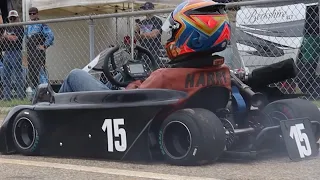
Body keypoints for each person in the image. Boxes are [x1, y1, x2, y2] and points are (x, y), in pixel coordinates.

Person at [58, 0, 232, 96]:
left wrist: (134, 84)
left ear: (190, 36)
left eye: (174, 32)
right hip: (162, 101)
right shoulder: (222, 72)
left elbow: (135, 97)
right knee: (120, 75)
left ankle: (44, 112)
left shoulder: (164, 75)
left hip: (119, 108)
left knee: (75, 75)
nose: (171, 38)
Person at [25, 7, 54, 93]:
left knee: (41, 72)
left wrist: (44, 46)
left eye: (34, 13)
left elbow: (50, 36)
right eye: (30, 13)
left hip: (38, 52)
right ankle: (35, 94)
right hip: (30, 52)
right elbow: (26, 37)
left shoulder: (42, 24)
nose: (32, 15)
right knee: (32, 73)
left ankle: (46, 92)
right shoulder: (28, 25)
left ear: (37, 14)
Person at [1, 10, 25, 101]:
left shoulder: (19, 27)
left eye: (14, 18)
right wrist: (6, 36)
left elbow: (14, 38)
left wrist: (6, 36)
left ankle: (20, 96)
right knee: (6, 76)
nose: (12, 19)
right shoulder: (7, 27)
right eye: (11, 18)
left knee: (18, 75)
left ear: (17, 18)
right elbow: (4, 39)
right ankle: (7, 97)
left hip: (16, 52)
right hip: (7, 52)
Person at [134, 2, 163, 68]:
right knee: (144, 70)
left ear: (152, 9)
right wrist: (136, 30)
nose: (145, 10)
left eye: (146, 8)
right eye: (144, 9)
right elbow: (137, 38)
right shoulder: (142, 22)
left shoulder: (157, 21)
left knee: (153, 69)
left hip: (153, 50)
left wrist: (142, 35)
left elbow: (153, 35)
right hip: (143, 50)